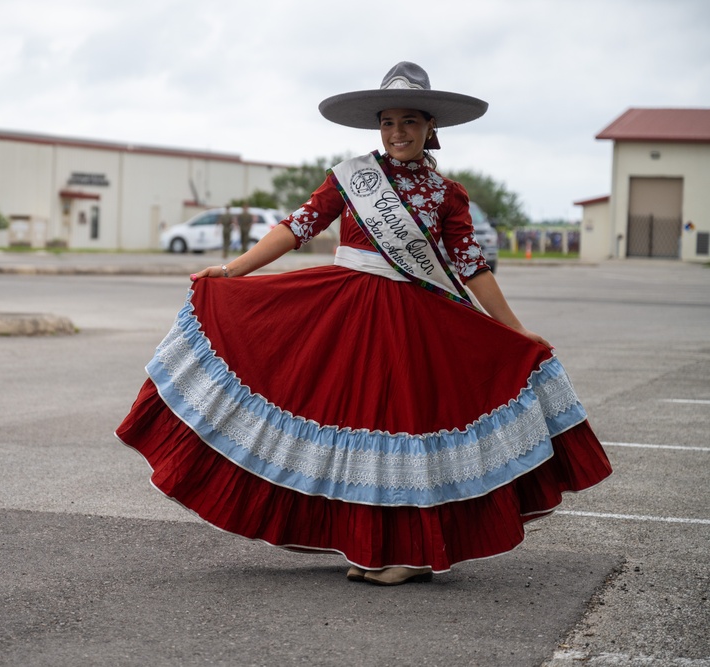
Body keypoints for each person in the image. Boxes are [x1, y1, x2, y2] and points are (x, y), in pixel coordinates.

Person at [116, 62, 611, 586]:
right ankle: (369, 543)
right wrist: (233, 270)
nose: (398, 133)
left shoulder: (448, 195)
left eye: (410, 122)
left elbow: (470, 266)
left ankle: (406, 552)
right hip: (346, 313)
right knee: (351, 419)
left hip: (414, 322)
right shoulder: (352, 176)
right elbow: (297, 228)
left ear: (430, 128)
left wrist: (513, 330)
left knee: (403, 425)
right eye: (388, 122)